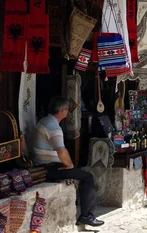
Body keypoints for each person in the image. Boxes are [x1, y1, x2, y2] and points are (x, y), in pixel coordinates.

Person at [32, 96, 104, 227]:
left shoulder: (44, 121)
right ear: (63, 111)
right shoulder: (53, 127)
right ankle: (86, 215)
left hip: (42, 164)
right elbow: (61, 151)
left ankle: (85, 213)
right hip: (48, 168)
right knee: (87, 177)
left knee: (80, 174)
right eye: (66, 109)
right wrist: (69, 165)